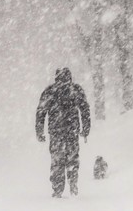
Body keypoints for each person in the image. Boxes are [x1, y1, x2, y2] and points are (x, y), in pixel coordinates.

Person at [36, 67, 91, 198]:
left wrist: (40, 131)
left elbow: (41, 112)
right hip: (72, 130)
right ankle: (73, 183)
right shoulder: (76, 90)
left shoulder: (50, 91)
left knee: (57, 160)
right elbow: (85, 110)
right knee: (72, 158)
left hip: (56, 132)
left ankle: (57, 188)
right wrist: (86, 128)